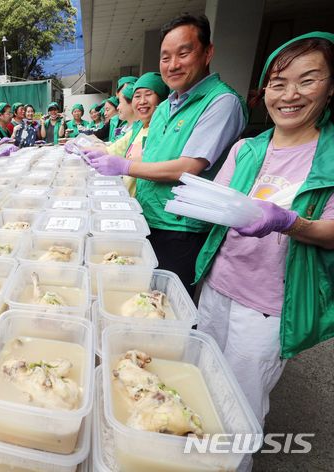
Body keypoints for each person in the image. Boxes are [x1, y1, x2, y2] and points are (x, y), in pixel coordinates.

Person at [194, 33, 334, 436]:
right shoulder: (245, 150)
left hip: (268, 305)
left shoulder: (328, 157)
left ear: (330, 88)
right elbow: (216, 206)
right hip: (218, 286)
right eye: (278, 83)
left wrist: (290, 223)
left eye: (308, 80)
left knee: (240, 405)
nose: (290, 95)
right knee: (204, 383)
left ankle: (233, 461)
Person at [87, 14, 247, 296]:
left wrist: (123, 166)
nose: (173, 65)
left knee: (166, 301)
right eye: (165, 57)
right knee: (139, 295)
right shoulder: (165, 106)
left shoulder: (221, 102)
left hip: (181, 229)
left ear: (208, 53)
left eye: (183, 54)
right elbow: (151, 158)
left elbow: (187, 167)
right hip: (147, 217)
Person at [87, 73, 169, 196]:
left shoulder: (162, 129)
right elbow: (111, 150)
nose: (142, 101)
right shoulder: (138, 128)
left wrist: (125, 165)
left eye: (148, 95)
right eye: (137, 96)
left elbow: (160, 164)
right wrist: (80, 148)